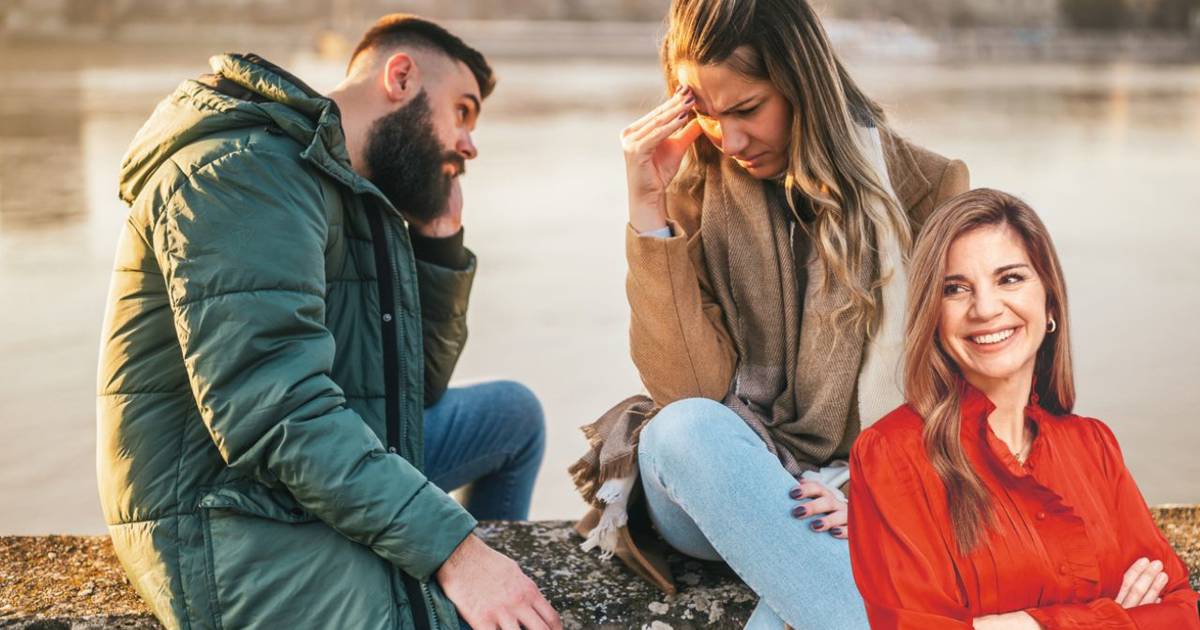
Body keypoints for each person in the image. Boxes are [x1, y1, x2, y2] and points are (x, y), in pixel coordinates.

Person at [97, 14, 560, 630]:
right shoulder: (246, 171)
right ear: (400, 77)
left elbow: (409, 392)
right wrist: (457, 553)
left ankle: (497, 594)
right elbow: (277, 414)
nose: (470, 144)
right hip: (231, 509)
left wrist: (440, 246)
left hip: (291, 476)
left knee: (512, 418)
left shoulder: (344, 191)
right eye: (463, 112)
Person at [568, 0, 968, 627]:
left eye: (748, 109)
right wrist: (649, 209)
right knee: (681, 429)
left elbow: (958, 386)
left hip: (860, 490)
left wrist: (877, 502)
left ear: (804, 84)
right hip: (714, 489)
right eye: (707, 114)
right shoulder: (690, 189)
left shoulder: (926, 186)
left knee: (800, 591)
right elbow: (687, 390)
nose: (730, 140)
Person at [848, 188, 1200, 629]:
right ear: (932, 316)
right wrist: (1114, 619)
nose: (986, 308)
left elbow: (1180, 612)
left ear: (1049, 300)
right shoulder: (891, 456)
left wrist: (1023, 624)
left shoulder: (1094, 447)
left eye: (1009, 278)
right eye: (955, 289)